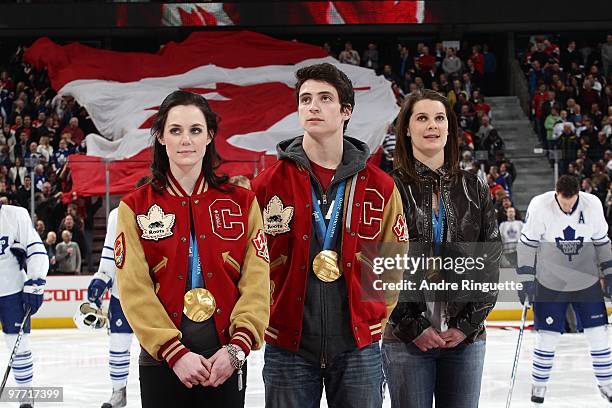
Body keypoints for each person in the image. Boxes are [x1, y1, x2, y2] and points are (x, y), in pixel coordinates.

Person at [253, 63, 406, 408]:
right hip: (287, 346)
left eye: (325, 98)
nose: (313, 106)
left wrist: (374, 316)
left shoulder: (380, 186)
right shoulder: (267, 185)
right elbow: (253, 263)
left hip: (358, 347)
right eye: (305, 99)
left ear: (346, 111)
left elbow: (394, 259)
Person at [115, 90, 269, 407]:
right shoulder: (136, 206)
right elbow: (134, 288)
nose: (186, 140)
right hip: (162, 362)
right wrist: (174, 352)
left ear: (209, 136)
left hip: (225, 361)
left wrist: (237, 348)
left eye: (195, 130)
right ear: (160, 137)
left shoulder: (242, 202)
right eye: (175, 130)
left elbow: (256, 280)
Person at [383, 90, 501, 408]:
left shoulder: (474, 187)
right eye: (422, 117)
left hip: (466, 340)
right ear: (407, 128)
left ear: (449, 128)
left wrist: (466, 327)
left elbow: (489, 264)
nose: (432, 125)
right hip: (404, 339)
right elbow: (377, 269)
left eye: (439, 118)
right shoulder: (387, 188)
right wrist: (412, 326)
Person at [517, 175, 612, 404]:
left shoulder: (593, 205)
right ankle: (539, 386)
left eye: (572, 202)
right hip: (551, 282)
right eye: (563, 203)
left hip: (586, 280)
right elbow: (527, 243)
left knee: (598, 334)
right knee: (547, 337)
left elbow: (602, 241)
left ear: (579, 194)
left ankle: (607, 384)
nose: (568, 208)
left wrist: (609, 273)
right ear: (555, 194)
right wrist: (525, 278)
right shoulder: (540, 205)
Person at [86, 179, 149, 408]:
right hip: (122, 294)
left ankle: (157, 391)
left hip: (154, 295)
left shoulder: (167, 211)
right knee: (118, 343)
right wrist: (101, 278)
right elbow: (110, 254)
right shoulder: (117, 215)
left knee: (156, 347)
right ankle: (118, 391)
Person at [0, 204, 49, 408]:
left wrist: (35, 280)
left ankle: (25, 398)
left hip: (12, 291)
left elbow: (36, 249)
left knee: (19, 346)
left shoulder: (15, 215)